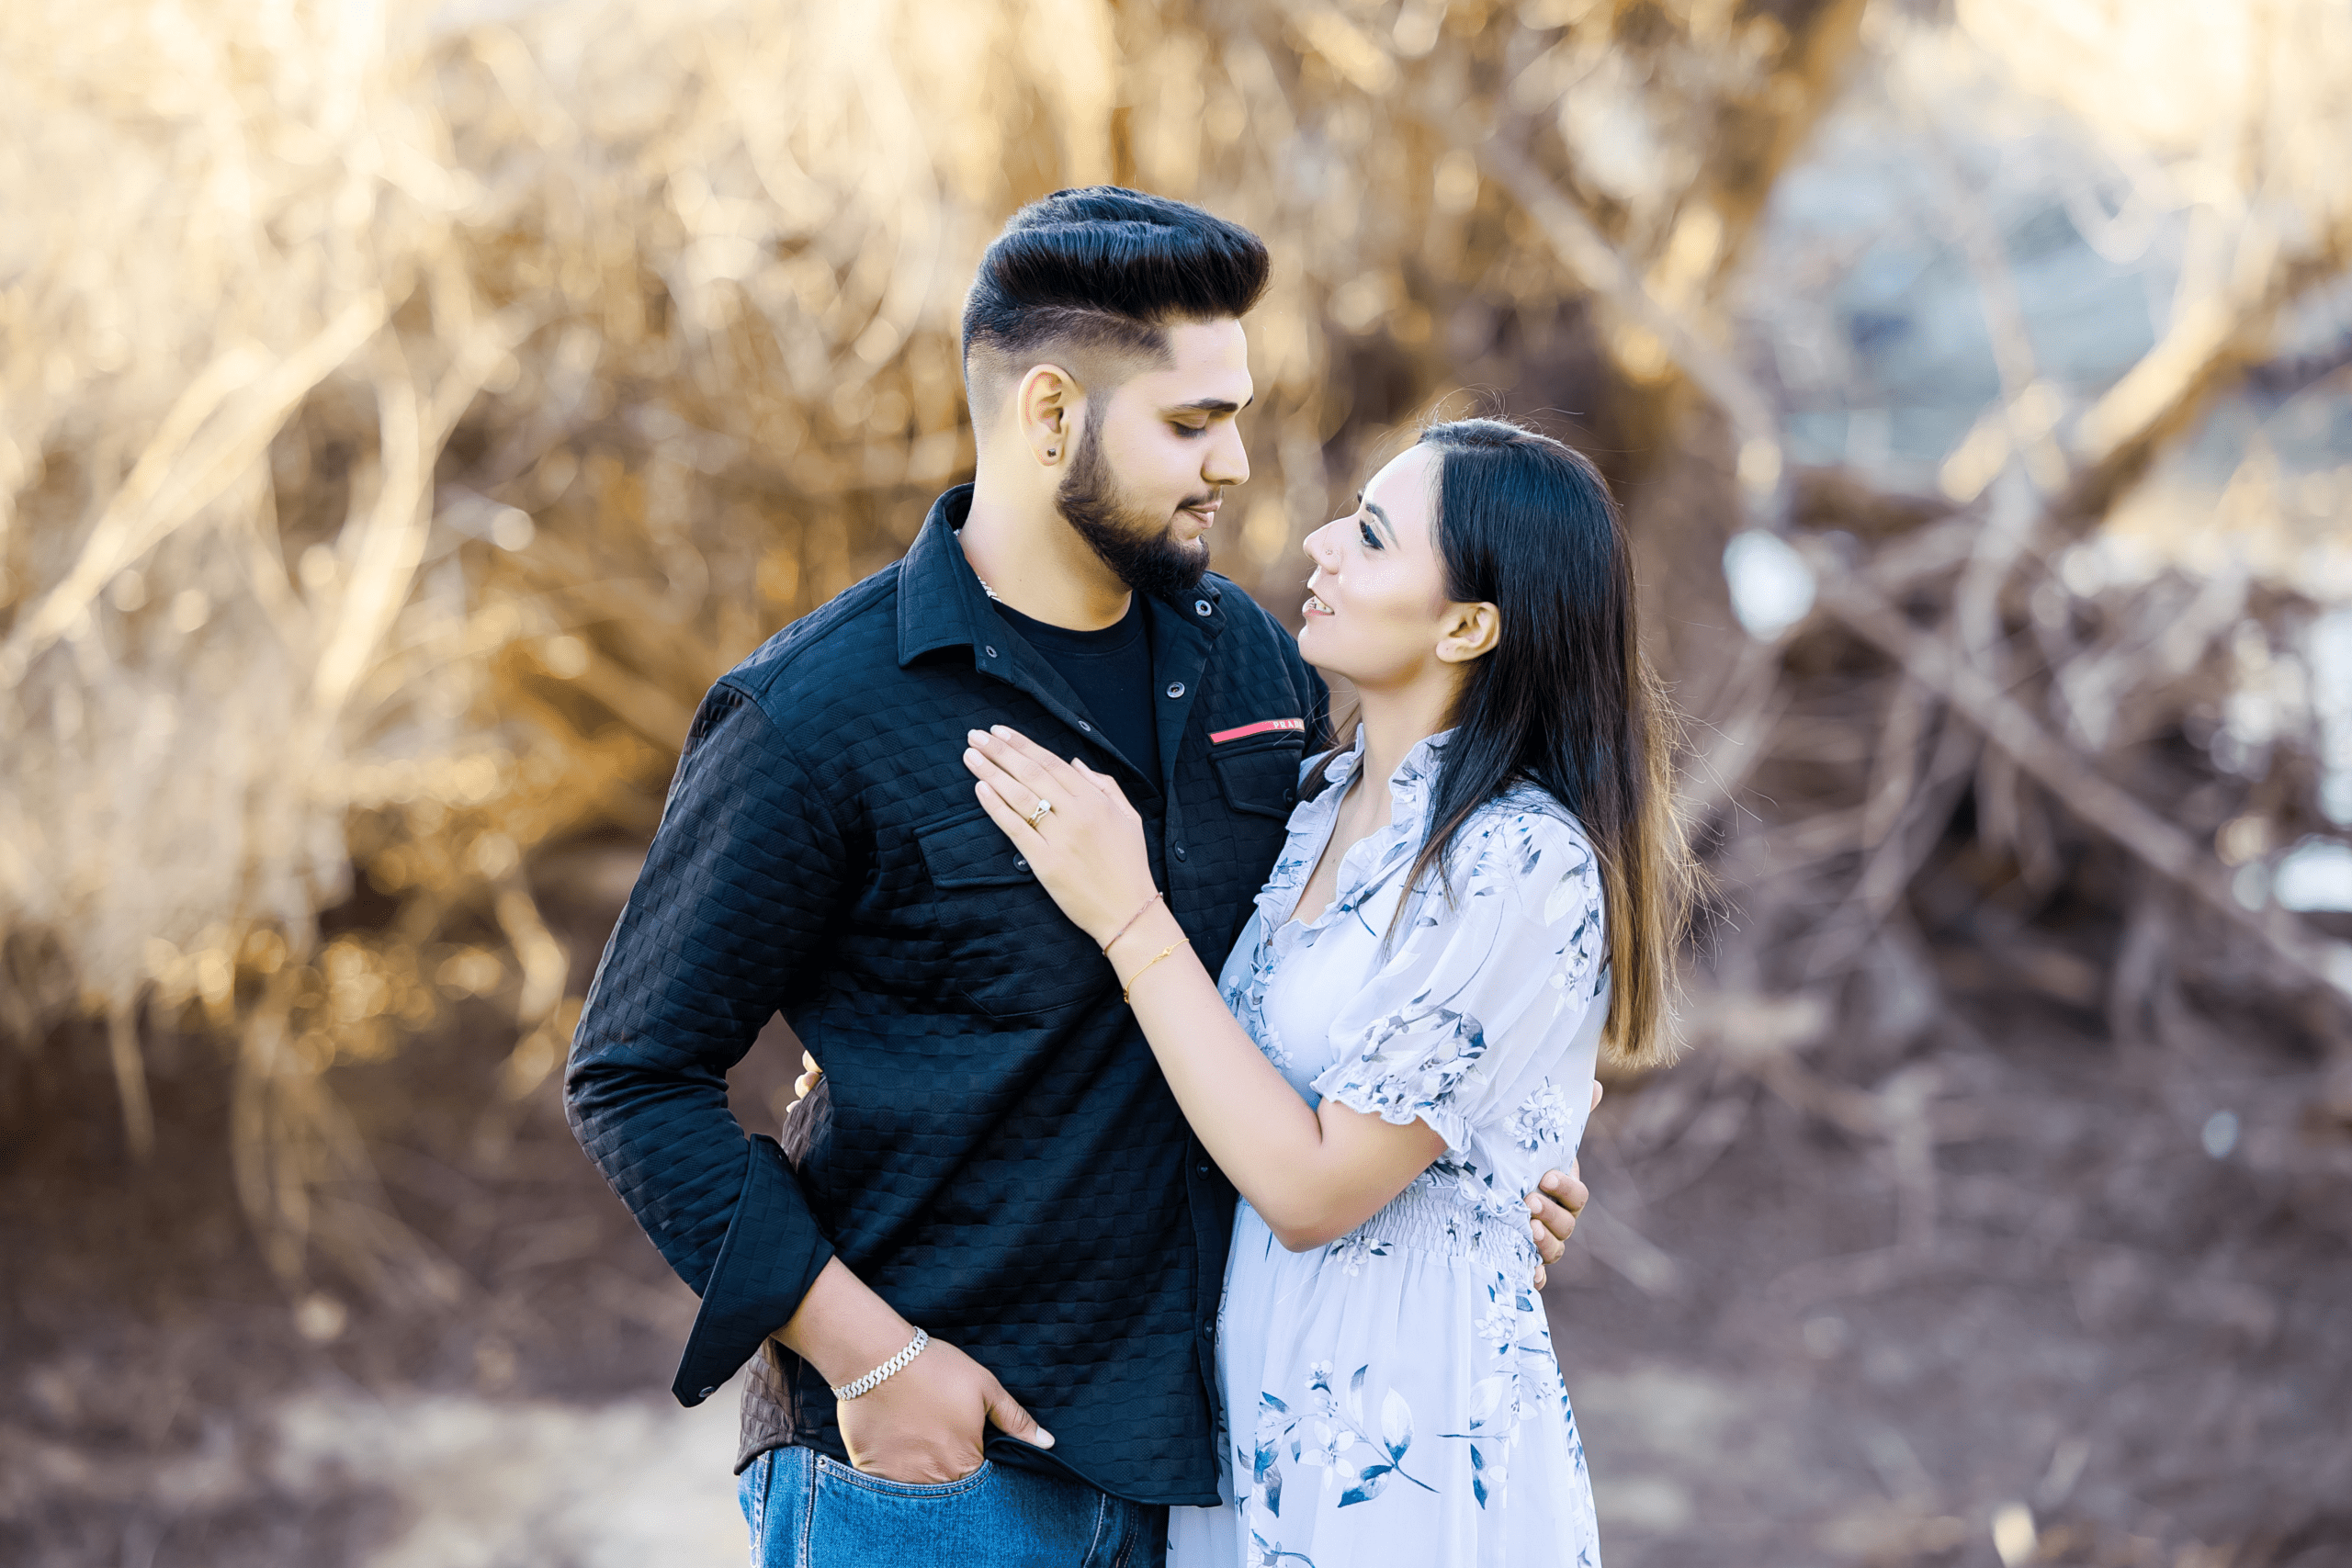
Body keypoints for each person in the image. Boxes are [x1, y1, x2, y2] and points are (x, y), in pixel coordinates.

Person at [563, 189, 1588, 1568]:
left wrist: (1466, 1167)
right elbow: (633, 1073)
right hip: (942, 1474)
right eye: (1191, 422)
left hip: (1219, 1472)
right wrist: (868, 1357)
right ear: (1050, 415)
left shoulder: (1255, 669)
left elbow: (1347, 975)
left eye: (1234, 413)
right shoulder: (817, 713)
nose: (1233, 461)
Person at [957, 417, 1694, 1566]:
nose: (1318, 542)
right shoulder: (1317, 801)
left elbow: (1313, 1189)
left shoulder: (1518, 862)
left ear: (1466, 624)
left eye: (1370, 535)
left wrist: (1127, 914)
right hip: (1256, 1409)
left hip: (1397, 1433)